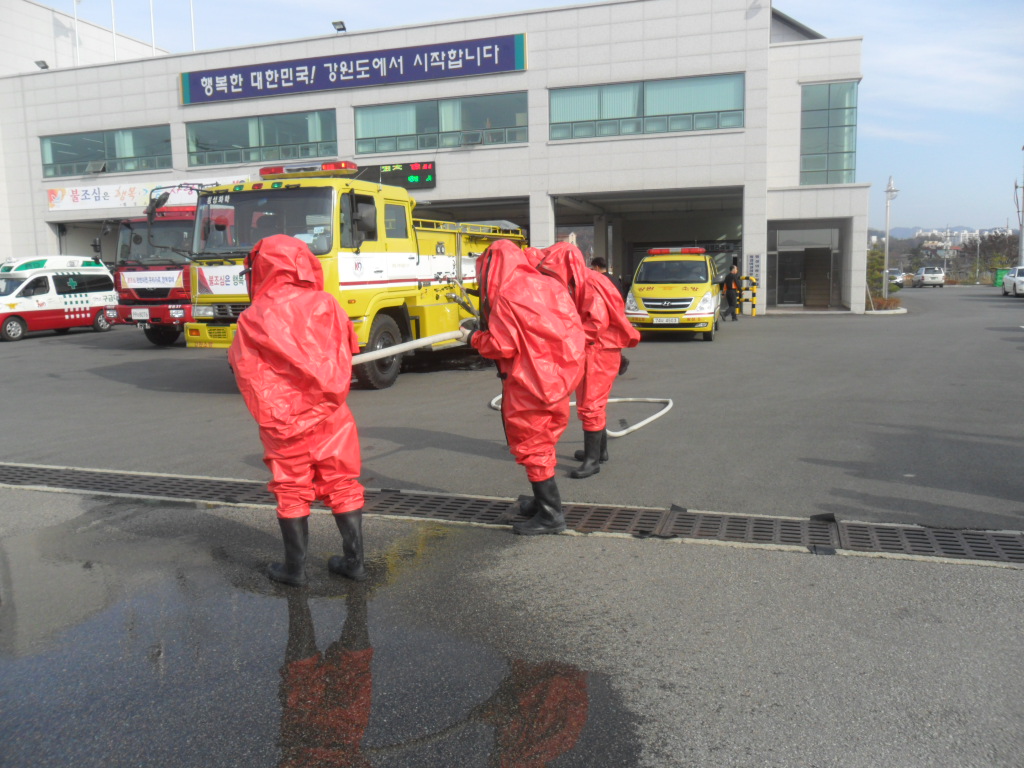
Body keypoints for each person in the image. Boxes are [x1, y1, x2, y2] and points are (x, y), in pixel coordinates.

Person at [228, 234, 367, 586]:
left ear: (261, 267)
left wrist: (272, 410)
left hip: (282, 416)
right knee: (342, 482)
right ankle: (355, 563)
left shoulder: (252, 316)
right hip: (331, 412)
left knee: (290, 487)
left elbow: (245, 369)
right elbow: (349, 347)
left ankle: (295, 569)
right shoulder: (327, 303)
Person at [462, 239, 586, 535]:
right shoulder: (550, 284)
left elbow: (502, 346)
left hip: (530, 381)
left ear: (490, 267)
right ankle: (542, 502)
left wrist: (472, 338)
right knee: (545, 441)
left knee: (533, 446)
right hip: (559, 378)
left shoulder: (507, 295)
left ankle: (551, 514)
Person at [537, 243, 640, 478]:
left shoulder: (589, 284)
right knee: (594, 403)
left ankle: (592, 462)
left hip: (598, 350)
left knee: (591, 404)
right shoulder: (586, 279)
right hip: (600, 348)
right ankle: (598, 453)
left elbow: (597, 323)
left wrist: (565, 339)